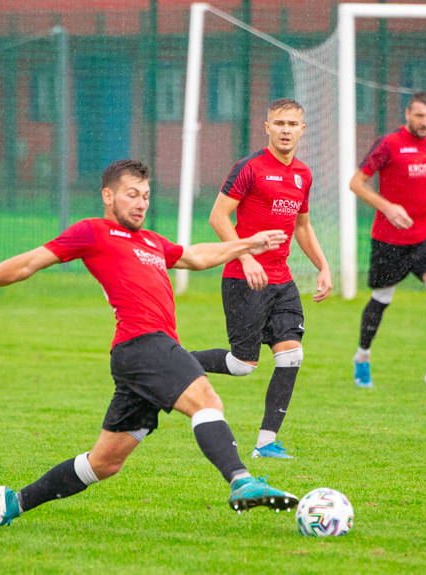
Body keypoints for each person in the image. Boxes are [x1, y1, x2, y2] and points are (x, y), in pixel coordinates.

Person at [0, 160, 299, 530]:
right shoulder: (94, 232)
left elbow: (196, 256)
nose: (141, 203)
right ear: (108, 196)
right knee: (207, 401)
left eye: (145, 196)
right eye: (132, 195)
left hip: (137, 359)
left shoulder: (152, 241)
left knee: (104, 463)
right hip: (144, 344)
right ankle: (241, 481)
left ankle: (14, 502)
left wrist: (247, 244)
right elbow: (28, 263)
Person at [189, 99, 331, 460]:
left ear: (303, 129)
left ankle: (266, 443)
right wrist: (246, 256)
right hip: (243, 278)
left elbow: (302, 225)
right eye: (279, 123)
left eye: (292, 124)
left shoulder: (303, 174)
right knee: (241, 365)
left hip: (281, 281)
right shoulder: (249, 168)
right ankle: (174, 363)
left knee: (291, 356)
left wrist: (323, 266)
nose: (285, 130)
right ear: (266, 127)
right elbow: (218, 217)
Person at [349, 91, 426, 390]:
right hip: (389, 239)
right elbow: (356, 183)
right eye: (419, 116)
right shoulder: (389, 144)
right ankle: (362, 356)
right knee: (381, 299)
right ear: (407, 114)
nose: (425, 122)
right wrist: (387, 206)